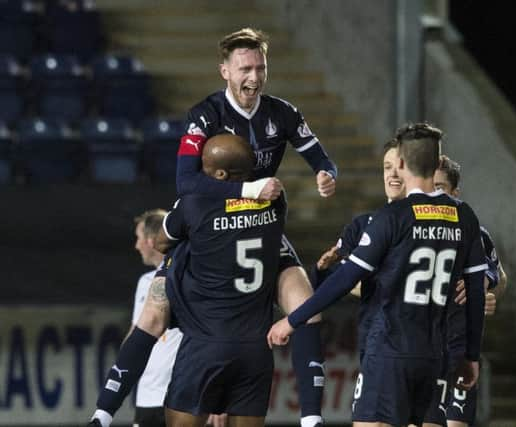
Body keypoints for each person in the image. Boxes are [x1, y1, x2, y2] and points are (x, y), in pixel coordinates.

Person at [89, 28, 334, 427]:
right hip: (227, 215)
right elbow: (186, 182)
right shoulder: (204, 114)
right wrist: (251, 188)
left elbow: (323, 158)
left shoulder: (283, 113)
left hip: (251, 223)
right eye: (244, 69)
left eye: (260, 67)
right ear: (224, 70)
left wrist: (326, 171)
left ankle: (311, 418)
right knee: (153, 313)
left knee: (305, 306)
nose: (253, 77)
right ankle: (104, 411)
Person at [267, 123, 487, 427]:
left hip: (390, 352)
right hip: (435, 355)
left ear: (400, 163)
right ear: (438, 164)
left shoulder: (391, 217)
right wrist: (471, 355)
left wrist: (292, 319)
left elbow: (345, 279)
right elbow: (476, 292)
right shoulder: (465, 217)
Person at [161, 133, 287, 426]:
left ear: (219, 174)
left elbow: (161, 240)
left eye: (203, 168)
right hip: (256, 348)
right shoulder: (276, 203)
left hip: (206, 342)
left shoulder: (195, 204)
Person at [422, 155, 508, 427]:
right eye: (429, 187)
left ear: (455, 193)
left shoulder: (473, 233)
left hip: (460, 351)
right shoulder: (410, 229)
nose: (433, 194)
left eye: (441, 188)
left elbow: (499, 276)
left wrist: (487, 293)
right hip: (423, 351)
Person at [130, 209, 183, 427]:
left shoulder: (187, 277)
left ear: (151, 241)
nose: (136, 245)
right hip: (147, 398)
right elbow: (135, 334)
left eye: (138, 238)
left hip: (183, 395)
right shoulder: (145, 282)